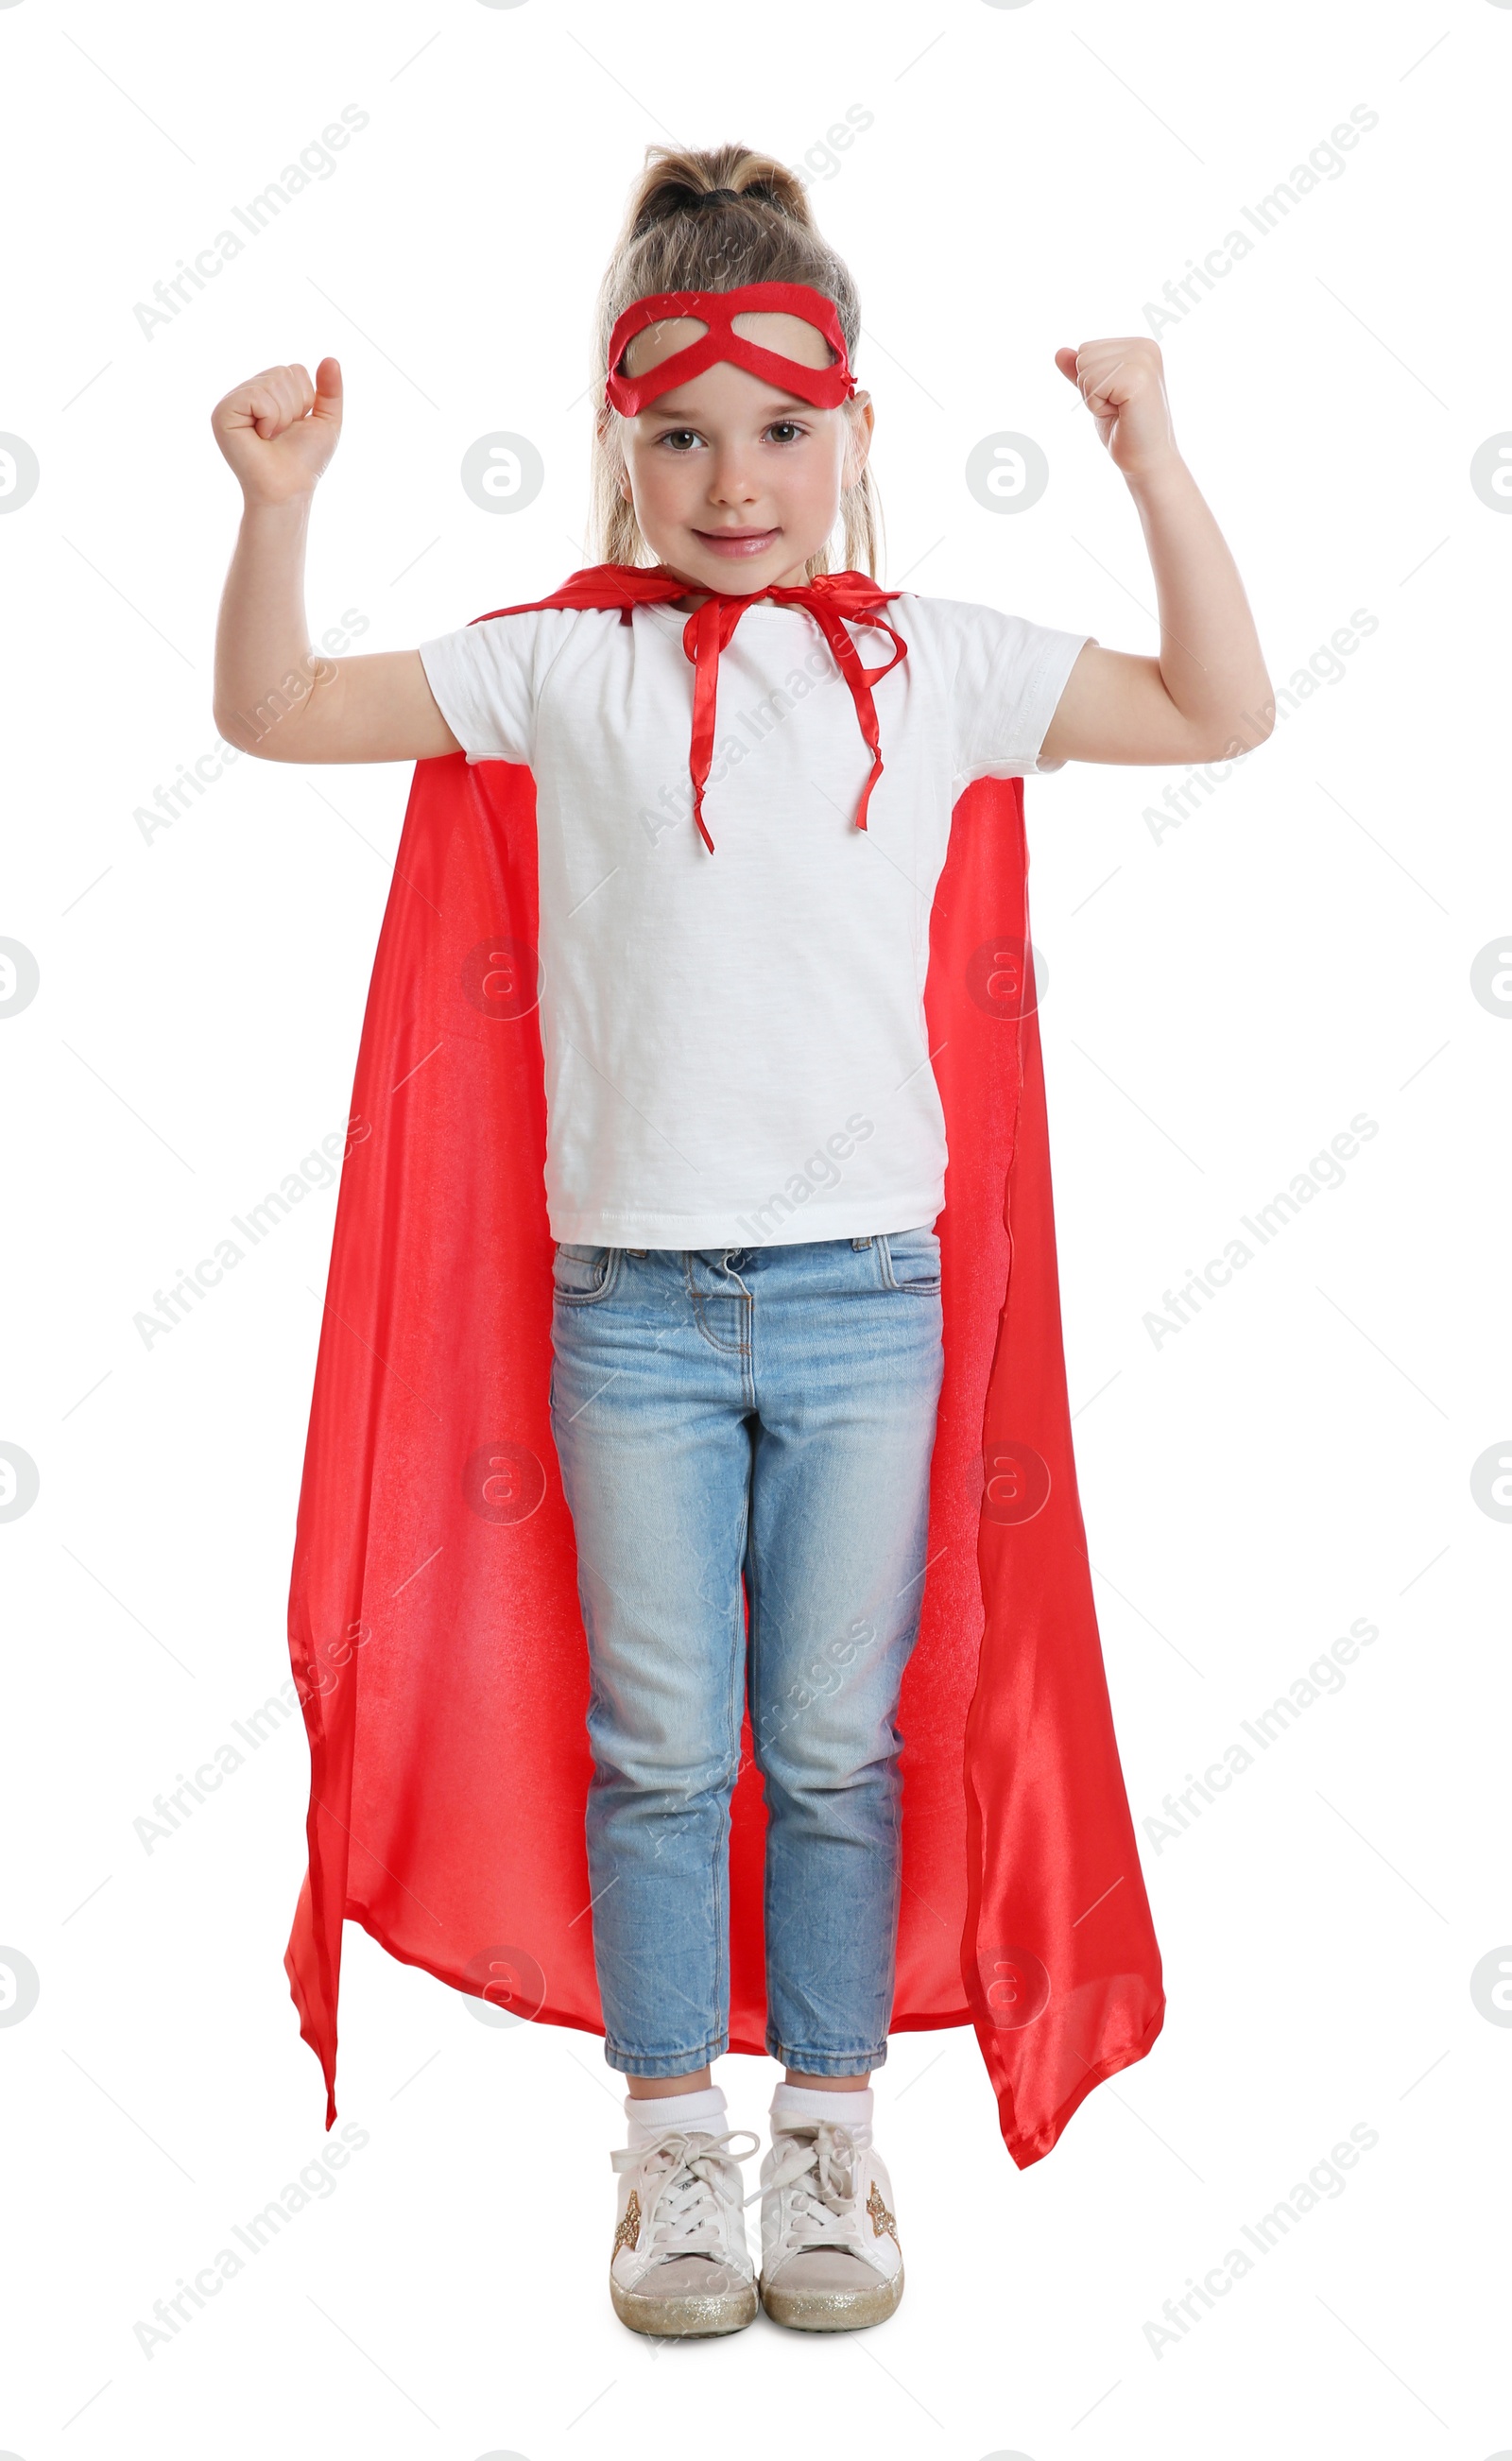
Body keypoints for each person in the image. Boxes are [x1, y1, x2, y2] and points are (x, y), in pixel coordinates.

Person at [210, 141, 1272, 2339]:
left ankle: (831, 2144)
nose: (733, 480)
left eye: (781, 431)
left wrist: (1153, 455)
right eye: (683, 436)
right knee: (662, 1745)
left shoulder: (940, 669)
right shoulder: (561, 679)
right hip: (635, 1315)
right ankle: (672, 2151)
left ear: (853, 435)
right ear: (621, 444)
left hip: (873, 1299)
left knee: (834, 1745)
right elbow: (281, 712)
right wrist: (277, 508)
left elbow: (1214, 709)